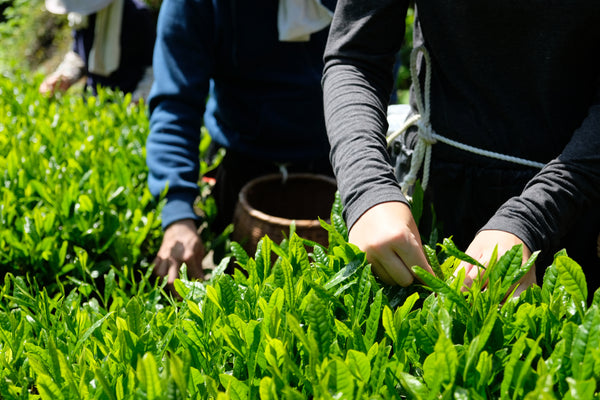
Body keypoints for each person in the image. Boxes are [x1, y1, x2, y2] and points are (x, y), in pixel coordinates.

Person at [322, 1, 600, 297]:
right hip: (430, 194)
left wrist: (534, 217)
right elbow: (355, 56)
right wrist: (368, 190)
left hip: (577, 203)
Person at [146, 0, 338, 285]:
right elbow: (176, 105)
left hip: (337, 163)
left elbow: (370, 76)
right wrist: (177, 214)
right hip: (243, 167)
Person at [40, 0, 156, 102]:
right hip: (92, 101)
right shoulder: (81, 14)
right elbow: (78, 54)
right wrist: (65, 77)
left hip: (126, 102)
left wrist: (139, 99)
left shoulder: (137, 14)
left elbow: (153, 69)